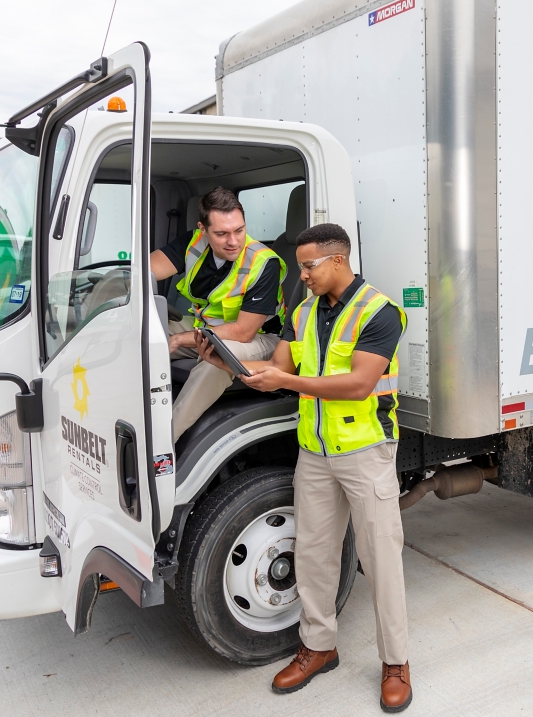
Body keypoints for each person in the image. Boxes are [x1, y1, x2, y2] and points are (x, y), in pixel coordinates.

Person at [194, 222, 412, 712]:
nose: (303, 275)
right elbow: (278, 369)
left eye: (310, 266)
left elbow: (358, 384)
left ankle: (395, 662)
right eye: (300, 267)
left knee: (381, 560)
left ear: (338, 260)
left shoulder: (381, 312)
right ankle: (319, 646)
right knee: (313, 555)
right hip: (314, 452)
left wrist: (287, 381)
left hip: (365, 452)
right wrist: (229, 364)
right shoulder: (303, 311)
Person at [150, 187, 286, 441]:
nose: (233, 241)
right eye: (222, 234)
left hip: (258, 338)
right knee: (143, 335)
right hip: (208, 326)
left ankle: (163, 440)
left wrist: (180, 339)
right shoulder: (193, 243)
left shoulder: (264, 263)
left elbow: (243, 332)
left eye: (239, 230)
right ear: (203, 229)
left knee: (219, 361)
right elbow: (144, 273)